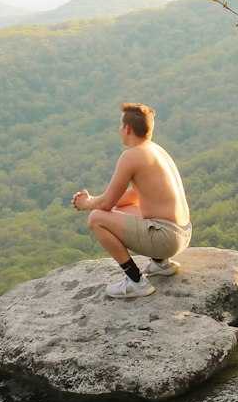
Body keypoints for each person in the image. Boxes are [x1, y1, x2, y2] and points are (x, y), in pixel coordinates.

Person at [71, 102, 191, 299]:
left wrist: (86, 204)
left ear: (127, 129)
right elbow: (133, 195)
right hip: (181, 233)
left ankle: (136, 281)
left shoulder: (131, 156)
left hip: (166, 237)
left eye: (120, 125)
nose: (120, 129)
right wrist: (95, 199)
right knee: (123, 207)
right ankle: (161, 263)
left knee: (96, 219)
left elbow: (106, 204)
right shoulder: (155, 150)